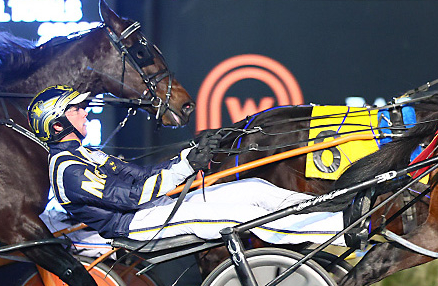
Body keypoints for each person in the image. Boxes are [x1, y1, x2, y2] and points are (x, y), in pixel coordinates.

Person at [29, 85, 348, 248]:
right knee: (241, 215)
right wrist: (187, 166)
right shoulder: (67, 170)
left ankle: (329, 210)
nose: (85, 112)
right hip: (137, 224)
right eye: (75, 110)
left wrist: (190, 152)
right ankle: (341, 233)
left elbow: (144, 176)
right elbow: (133, 198)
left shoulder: (88, 154)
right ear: (56, 125)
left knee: (252, 188)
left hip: (157, 208)